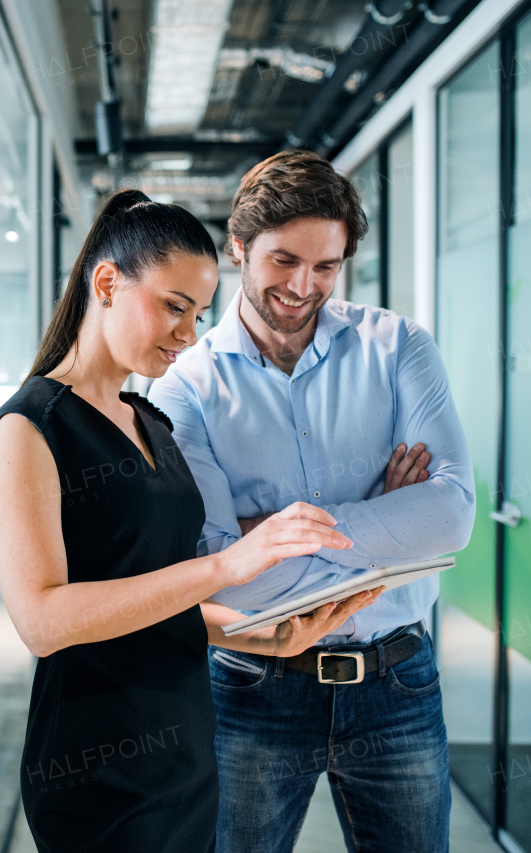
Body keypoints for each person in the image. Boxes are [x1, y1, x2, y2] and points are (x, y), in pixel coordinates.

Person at [0, 188, 383, 853]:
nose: (187, 335)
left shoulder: (152, 422)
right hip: (98, 769)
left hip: (188, 753)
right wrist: (223, 568)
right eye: (173, 307)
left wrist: (263, 636)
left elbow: (152, 602)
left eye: (197, 314)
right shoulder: (30, 429)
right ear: (106, 282)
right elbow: (43, 621)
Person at [148, 150, 476, 853]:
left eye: (326, 266)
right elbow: (217, 568)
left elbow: (449, 515)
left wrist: (269, 535)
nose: (304, 286)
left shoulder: (400, 347)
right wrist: (389, 521)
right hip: (252, 689)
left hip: (399, 683)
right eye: (284, 260)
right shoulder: (185, 390)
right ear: (239, 248)